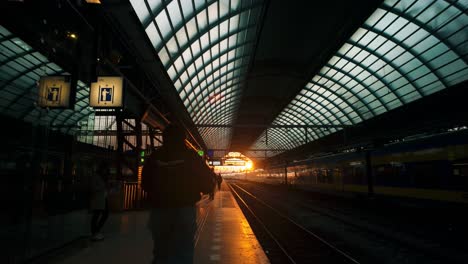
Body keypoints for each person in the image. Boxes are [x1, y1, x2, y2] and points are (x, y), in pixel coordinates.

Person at [142, 123, 215, 264]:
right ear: (184, 138)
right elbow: (207, 183)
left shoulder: (155, 156)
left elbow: (145, 184)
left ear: (164, 138)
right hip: (184, 209)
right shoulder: (191, 156)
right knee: (183, 250)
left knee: (161, 251)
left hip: (159, 210)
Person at [89, 161, 109, 241]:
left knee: (101, 214)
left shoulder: (102, 176)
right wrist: (103, 187)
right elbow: (93, 188)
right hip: (98, 198)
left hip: (102, 198)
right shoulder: (96, 176)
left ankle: (96, 231)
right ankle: (95, 232)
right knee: (97, 214)